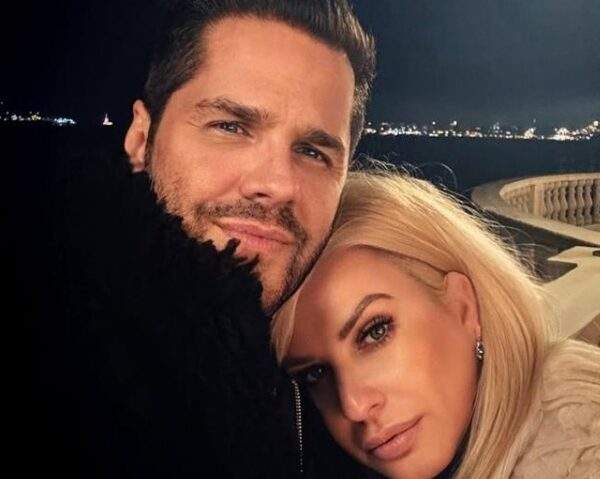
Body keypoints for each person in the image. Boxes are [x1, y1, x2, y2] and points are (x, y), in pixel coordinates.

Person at [20, 1, 375, 477]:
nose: (277, 184)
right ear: (141, 139)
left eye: (312, 152)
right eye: (230, 127)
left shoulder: (339, 400)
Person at [274, 170, 600, 478]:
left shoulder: (581, 445)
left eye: (375, 332)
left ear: (464, 306)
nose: (353, 406)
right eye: (315, 374)